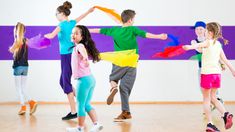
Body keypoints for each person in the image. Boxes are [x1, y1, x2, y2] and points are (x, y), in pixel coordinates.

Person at [89, 9, 167, 121]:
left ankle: (113, 88)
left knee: (113, 78)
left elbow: (98, 30)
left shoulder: (115, 30)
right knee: (125, 88)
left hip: (119, 61)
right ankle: (126, 112)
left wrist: (85, 30)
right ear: (130, 20)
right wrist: (159, 36)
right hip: (132, 62)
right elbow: (145, 35)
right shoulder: (133, 29)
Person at [44, 1, 94, 120]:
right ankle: (82, 101)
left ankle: (73, 111)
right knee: (63, 81)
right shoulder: (72, 22)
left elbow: (51, 36)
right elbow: (82, 16)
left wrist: (40, 38)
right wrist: (89, 11)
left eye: (56, 14)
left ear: (62, 14)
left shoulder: (60, 25)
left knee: (66, 83)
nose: (56, 16)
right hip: (69, 55)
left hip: (67, 56)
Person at [183, 22, 235, 131]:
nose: (205, 33)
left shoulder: (207, 42)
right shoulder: (218, 44)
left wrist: (188, 47)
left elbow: (197, 45)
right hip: (217, 75)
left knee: (206, 99)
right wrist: (233, 70)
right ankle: (226, 113)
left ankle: (210, 123)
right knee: (213, 98)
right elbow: (225, 59)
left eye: (206, 31)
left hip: (207, 74)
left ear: (210, 33)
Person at [66, 25, 103, 132]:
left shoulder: (79, 46)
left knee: (80, 104)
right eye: (72, 33)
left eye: (76, 33)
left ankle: (80, 128)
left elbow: (82, 51)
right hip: (90, 79)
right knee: (86, 104)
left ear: (82, 37)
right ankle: (96, 124)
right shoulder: (78, 46)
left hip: (83, 81)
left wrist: (86, 59)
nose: (73, 35)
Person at [9, 22, 38, 115]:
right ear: (24, 31)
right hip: (25, 66)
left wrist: (13, 45)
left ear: (16, 30)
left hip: (18, 67)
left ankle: (24, 107)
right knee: (23, 88)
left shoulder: (17, 41)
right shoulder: (26, 40)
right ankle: (31, 103)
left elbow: (11, 50)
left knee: (18, 88)